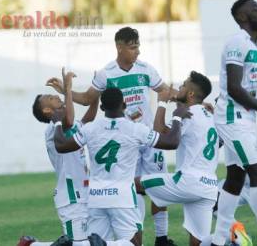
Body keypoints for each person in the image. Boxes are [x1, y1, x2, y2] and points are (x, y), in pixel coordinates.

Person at [47, 26, 176, 246]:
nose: (137, 51)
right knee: (130, 187)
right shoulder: (107, 73)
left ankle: (162, 238)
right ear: (119, 46)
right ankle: (130, 233)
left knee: (158, 187)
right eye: (132, 47)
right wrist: (65, 92)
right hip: (126, 141)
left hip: (146, 136)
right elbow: (88, 98)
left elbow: (165, 90)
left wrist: (182, 99)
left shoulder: (146, 69)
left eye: (138, 47)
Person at [51, 87, 191, 246]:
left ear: (102, 108)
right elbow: (171, 142)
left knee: (99, 243)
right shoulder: (135, 128)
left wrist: (56, 121)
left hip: (96, 197)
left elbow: (61, 146)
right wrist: (177, 118)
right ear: (124, 105)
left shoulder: (90, 128)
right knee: (134, 243)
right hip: (123, 197)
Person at [135, 71, 219, 246]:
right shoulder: (211, 115)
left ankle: (130, 241)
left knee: (132, 184)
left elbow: (158, 137)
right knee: (198, 241)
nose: (178, 87)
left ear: (190, 93)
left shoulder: (187, 113)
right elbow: (219, 143)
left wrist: (162, 102)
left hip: (188, 182)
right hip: (209, 187)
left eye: (183, 85)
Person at [18, 68, 98, 246]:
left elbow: (88, 120)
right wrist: (68, 89)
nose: (55, 96)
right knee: (79, 244)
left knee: (86, 243)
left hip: (85, 191)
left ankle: (30, 245)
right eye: (50, 97)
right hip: (69, 196)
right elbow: (69, 119)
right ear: (47, 110)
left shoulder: (68, 124)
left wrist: (97, 92)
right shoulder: (53, 129)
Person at [212, 0, 257, 245]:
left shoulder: (256, 45)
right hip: (232, 118)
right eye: (255, 9)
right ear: (242, 17)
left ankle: (219, 239)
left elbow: (251, 88)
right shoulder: (236, 42)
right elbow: (233, 87)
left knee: (234, 178)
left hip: (245, 118)